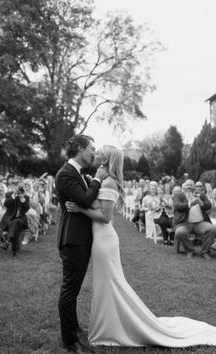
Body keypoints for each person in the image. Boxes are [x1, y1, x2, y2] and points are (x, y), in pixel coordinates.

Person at [66, 145, 216, 349]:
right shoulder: (103, 179)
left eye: (101, 151)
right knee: (106, 283)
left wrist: (80, 209)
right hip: (100, 238)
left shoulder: (109, 182)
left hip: (104, 240)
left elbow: (105, 216)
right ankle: (108, 325)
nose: (97, 153)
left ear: (108, 159)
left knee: (111, 282)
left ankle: (113, 327)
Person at [55, 134, 108, 353]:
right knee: (69, 290)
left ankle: (74, 329)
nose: (94, 152)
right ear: (78, 148)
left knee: (73, 290)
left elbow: (86, 200)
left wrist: (92, 181)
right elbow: (84, 199)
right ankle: (70, 341)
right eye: (91, 148)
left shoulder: (79, 172)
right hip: (72, 239)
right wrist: (97, 179)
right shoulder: (65, 174)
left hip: (81, 238)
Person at [173, 179, 216, 259]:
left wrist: (201, 203)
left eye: (191, 185)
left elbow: (209, 205)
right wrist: (190, 204)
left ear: (194, 186)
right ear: (184, 186)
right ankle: (189, 250)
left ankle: (204, 251)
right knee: (179, 232)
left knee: (212, 228)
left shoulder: (200, 195)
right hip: (185, 223)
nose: (189, 187)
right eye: (187, 185)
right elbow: (177, 206)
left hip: (200, 223)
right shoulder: (179, 195)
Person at [0, 185, 30, 256]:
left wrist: (22, 198)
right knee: (16, 225)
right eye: (16, 188)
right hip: (9, 219)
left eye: (19, 188)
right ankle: (14, 249)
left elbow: (27, 209)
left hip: (20, 219)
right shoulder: (9, 195)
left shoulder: (25, 197)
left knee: (17, 222)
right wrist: (13, 195)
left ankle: (7, 242)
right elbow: (6, 204)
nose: (18, 190)